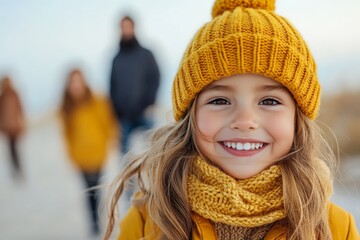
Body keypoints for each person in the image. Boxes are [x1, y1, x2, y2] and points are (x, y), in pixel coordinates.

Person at [103, 0, 360, 239]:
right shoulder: (149, 220)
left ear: (297, 118)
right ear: (190, 116)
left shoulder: (334, 228)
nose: (245, 120)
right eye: (219, 101)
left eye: (269, 101)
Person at [60, 69, 116, 236]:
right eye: (73, 82)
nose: (76, 85)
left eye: (78, 81)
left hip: (98, 154)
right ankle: (93, 221)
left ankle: (98, 220)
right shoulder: (67, 107)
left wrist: (108, 142)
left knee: (96, 188)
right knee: (87, 190)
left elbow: (107, 123)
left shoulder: (97, 100)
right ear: (69, 85)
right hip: (80, 157)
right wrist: (71, 155)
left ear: (84, 82)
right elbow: (67, 134)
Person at [109, 15, 160, 155]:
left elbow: (155, 78)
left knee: (154, 152)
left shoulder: (146, 54)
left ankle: (154, 176)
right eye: (123, 27)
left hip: (144, 112)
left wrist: (149, 102)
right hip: (124, 116)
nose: (126, 30)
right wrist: (116, 111)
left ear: (133, 28)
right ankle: (131, 178)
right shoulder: (116, 59)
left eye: (128, 26)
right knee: (124, 155)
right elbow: (112, 86)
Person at [0, 76, 25, 179]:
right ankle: (16, 168)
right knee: (11, 149)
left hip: (14, 126)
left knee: (15, 148)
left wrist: (22, 121)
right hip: (7, 128)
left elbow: (21, 108)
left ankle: (18, 168)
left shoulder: (14, 94)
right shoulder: (2, 97)